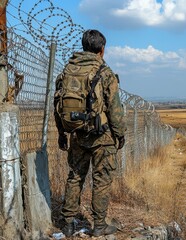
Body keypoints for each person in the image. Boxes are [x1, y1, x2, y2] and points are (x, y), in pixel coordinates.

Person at [54, 29, 126, 237]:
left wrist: (62, 133)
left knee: (75, 176)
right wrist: (120, 134)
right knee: (101, 179)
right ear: (102, 50)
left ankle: (67, 224)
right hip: (102, 137)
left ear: (84, 47)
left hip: (76, 134)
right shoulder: (104, 72)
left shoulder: (67, 71)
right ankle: (100, 226)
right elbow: (115, 108)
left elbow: (57, 105)